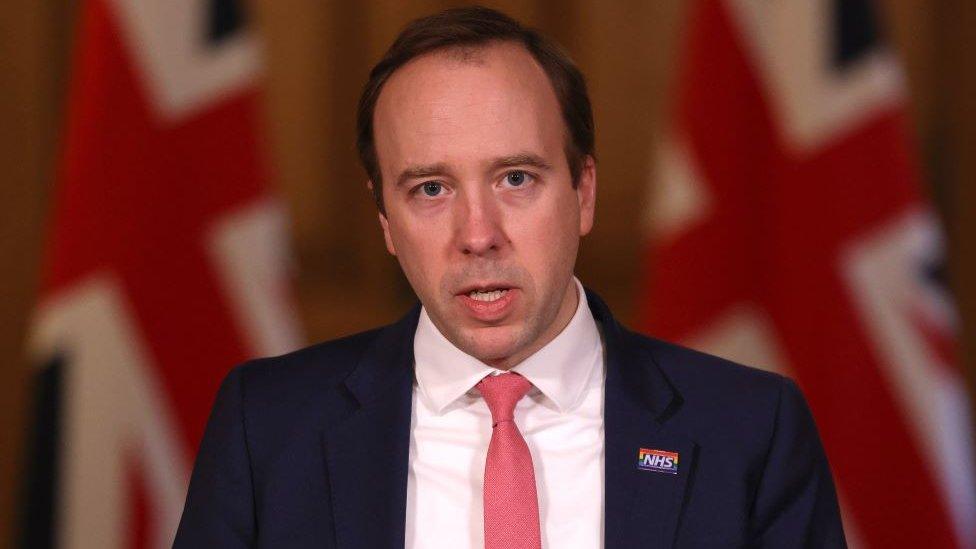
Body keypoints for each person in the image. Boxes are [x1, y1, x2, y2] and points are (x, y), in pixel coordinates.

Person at [174, 6, 846, 548]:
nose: (477, 233)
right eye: (431, 188)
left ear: (583, 191)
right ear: (384, 218)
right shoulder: (266, 428)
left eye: (516, 178)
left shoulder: (750, 430)